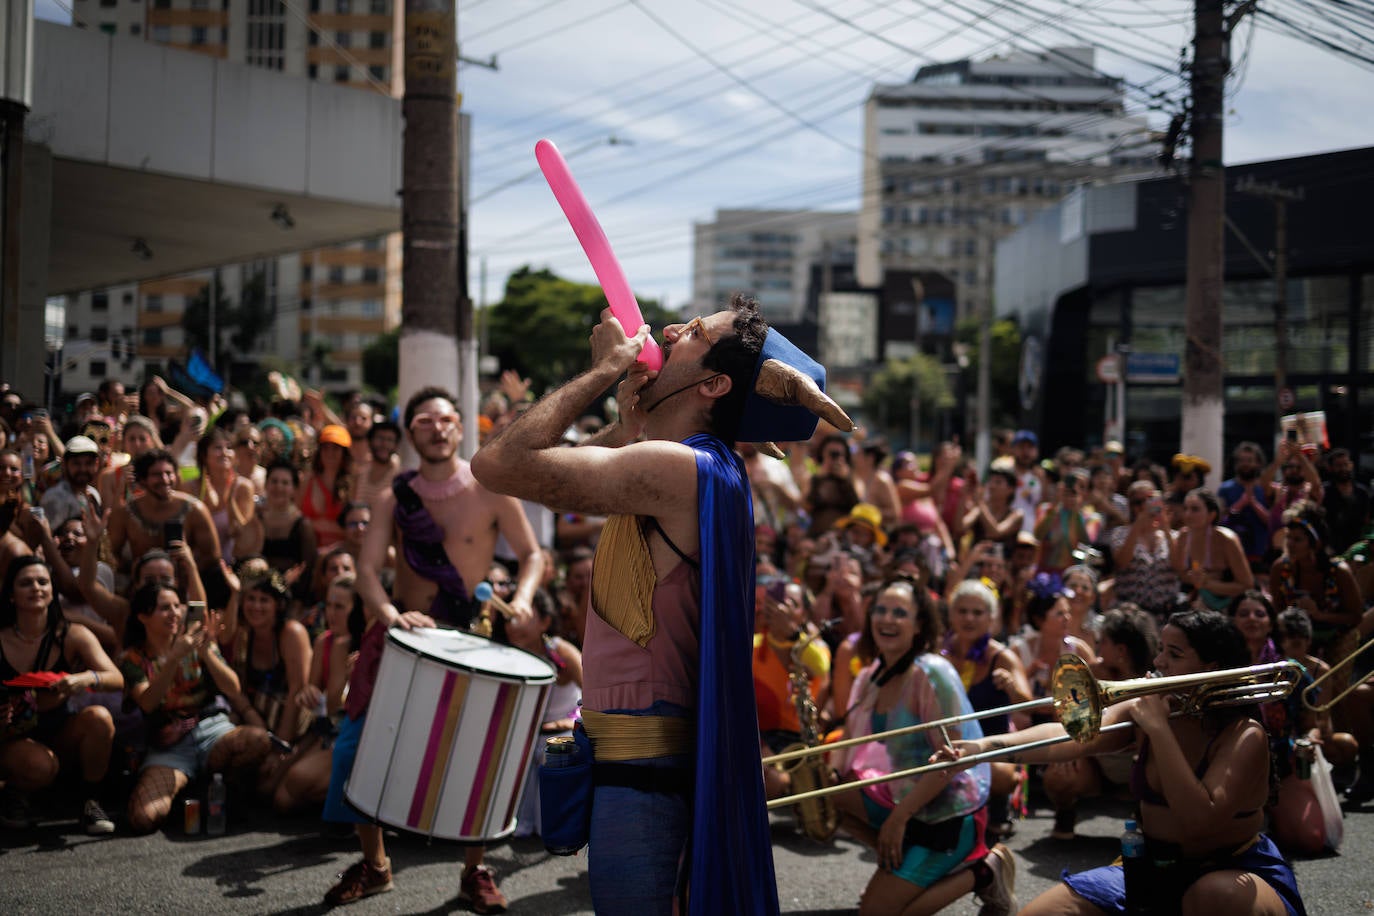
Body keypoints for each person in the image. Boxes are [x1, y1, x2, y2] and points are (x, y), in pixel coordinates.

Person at [472, 299, 853, 914]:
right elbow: (566, 473)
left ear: (713, 384)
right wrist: (628, 422)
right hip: (640, 763)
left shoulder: (683, 469)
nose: (672, 330)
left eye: (697, 332)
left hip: (643, 770)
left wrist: (603, 369)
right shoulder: (698, 467)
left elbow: (496, 464)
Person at [944, 608, 1307, 916]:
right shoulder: (1152, 709)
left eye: (1175, 654)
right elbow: (1066, 736)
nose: (1159, 662)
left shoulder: (1246, 735)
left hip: (1232, 870)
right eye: (1161, 650)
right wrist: (981, 748)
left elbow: (1199, 820)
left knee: (1213, 896)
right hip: (1151, 869)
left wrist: (1159, 731)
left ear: (1211, 667)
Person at [333, 386, 543, 913]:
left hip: (472, 635)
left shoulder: (490, 487)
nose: (436, 428)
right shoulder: (392, 496)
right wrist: (389, 616)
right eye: (424, 421)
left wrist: (520, 597)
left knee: (481, 753)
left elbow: (532, 554)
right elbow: (365, 572)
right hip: (406, 635)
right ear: (411, 432)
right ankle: (376, 865)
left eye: (445, 419)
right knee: (353, 748)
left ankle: (474, 871)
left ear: (460, 427)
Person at [830, 576, 1014, 916]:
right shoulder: (874, 674)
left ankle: (984, 871)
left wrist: (898, 819)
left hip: (950, 810)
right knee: (828, 796)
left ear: (918, 626)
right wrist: (822, 786)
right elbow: (850, 743)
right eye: (880, 610)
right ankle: (903, 866)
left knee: (876, 913)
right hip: (908, 797)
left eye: (900, 613)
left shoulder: (933, 672)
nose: (887, 619)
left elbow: (952, 759)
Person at [119, 581, 270, 833]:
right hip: (169, 747)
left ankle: (214, 790)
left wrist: (207, 652)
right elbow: (147, 702)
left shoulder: (198, 641)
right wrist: (173, 659)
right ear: (143, 616)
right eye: (164, 608)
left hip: (210, 730)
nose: (175, 614)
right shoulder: (132, 659)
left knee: (257, 740)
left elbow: (233, 688)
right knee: (143, 818)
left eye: (178, 606)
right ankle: (188, 792)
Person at [0, 556, 124, 834]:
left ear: (52, 592)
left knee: (99, 719)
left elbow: (116, 678)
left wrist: (84, 679)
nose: (36, 588)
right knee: (41, 765)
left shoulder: (72, 635)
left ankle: (90, 802)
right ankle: (14, 794)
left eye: (43, 582)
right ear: (10, 595)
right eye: (26, 583)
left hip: (59, 732)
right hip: (10, 737)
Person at [1042, 605, 1158, 840]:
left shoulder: (1156, 680)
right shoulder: (1092, 672)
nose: (1098, 647)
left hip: (1142, 766)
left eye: (1103, 641)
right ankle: (1066, 813)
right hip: (1097, 766)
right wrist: (1072, 751)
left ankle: (1153, 822)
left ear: (1121, 650)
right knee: (1058, 773)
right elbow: (1064, 716)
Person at [941, 579, 1032, 844]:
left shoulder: (1002, 657)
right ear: (952, 614)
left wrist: (1011, 686)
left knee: (1000, 776)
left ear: (991, 618)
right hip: (949, 748)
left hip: (990, 752)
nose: (969, 618)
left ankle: (996, 808)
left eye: (978, 612)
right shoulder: (941, 654)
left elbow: (1029, 702)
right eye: (962, 611)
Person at [107, 448, 221, 576]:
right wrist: (137, 572)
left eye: (169, 473)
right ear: (142, 480)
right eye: (157, 475)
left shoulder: (195, 510)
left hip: (186, 584)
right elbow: (111, 553)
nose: (165, 480)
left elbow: (212, 557)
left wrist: (186, 569)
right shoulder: (126, 513)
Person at [1171, 487, 1254, 612]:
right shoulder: (1183, 536)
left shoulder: (1227, 539)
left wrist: (1207, 583)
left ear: (1211, 515)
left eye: (1195, 509)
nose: (1187, 514)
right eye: (1185, 509)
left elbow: (1246, 584)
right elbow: (1180, 573)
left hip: (1228, 605)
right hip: (1194, 603)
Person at [185, 427, 258, 564]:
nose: (224, 453)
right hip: (199, 564)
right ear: (204, 455)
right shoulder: (190, 487)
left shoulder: (243, 487)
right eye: (217, 448)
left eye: (229, 448)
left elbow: (243, 534)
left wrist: (231, 503)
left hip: (234, 563)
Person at [1109, 481, 1178, 619]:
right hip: (1130, 614)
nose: (1144, 506)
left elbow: (1179, 566)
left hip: (1164, 613)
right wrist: (1138, 525)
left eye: (1149, 500)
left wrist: (1165, 526)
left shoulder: (1173, 536)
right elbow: (1122, 562)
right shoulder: (1120, 534)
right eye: (1138, 502)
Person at [1219, 442, 1272, 569]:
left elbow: (1271, 521)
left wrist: (1253, 503)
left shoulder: (1267, 488)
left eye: (1249, 460)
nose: (1245, 464)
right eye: (1241, 460)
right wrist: (1240, 503)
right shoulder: (1225, 488)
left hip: (1261, 554)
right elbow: (1220, 520)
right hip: (1232, 553)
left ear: (1258, 463)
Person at [299, 425, 353, 549]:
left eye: (335, 448)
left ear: (344, 453)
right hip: (309, 549)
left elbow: (356, 526)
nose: (330, 453)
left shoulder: (352, 484)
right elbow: (297, 518)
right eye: (325, 448)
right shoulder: (307, 481)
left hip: (341, 552)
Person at [39, 435, 102, 531]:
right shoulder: (54, 497)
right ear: (65, 464)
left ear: (96, 464)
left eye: (88, 463)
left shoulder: (94, 494)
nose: (83, 469)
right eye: (76, 463)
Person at [351, 420, 401, 509]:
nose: (384, 444)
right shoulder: (360, 473)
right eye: (380, 438)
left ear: (396, 445)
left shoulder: (399, 477)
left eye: (390, 440)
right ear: (370, 441)